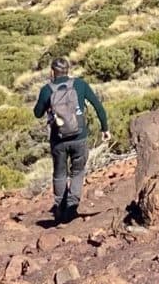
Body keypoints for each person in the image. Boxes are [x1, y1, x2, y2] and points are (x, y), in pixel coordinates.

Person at [33, 54, 110, 224]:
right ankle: (72, 206)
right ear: (68, 70)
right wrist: (105, 128)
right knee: (78, 171)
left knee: (60, 173)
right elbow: (98, 106)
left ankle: (60, 207)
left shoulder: (47, 90)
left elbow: (37, 113)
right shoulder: (80, 84)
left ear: (52, 72)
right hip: (79, 136)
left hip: (58, 140)